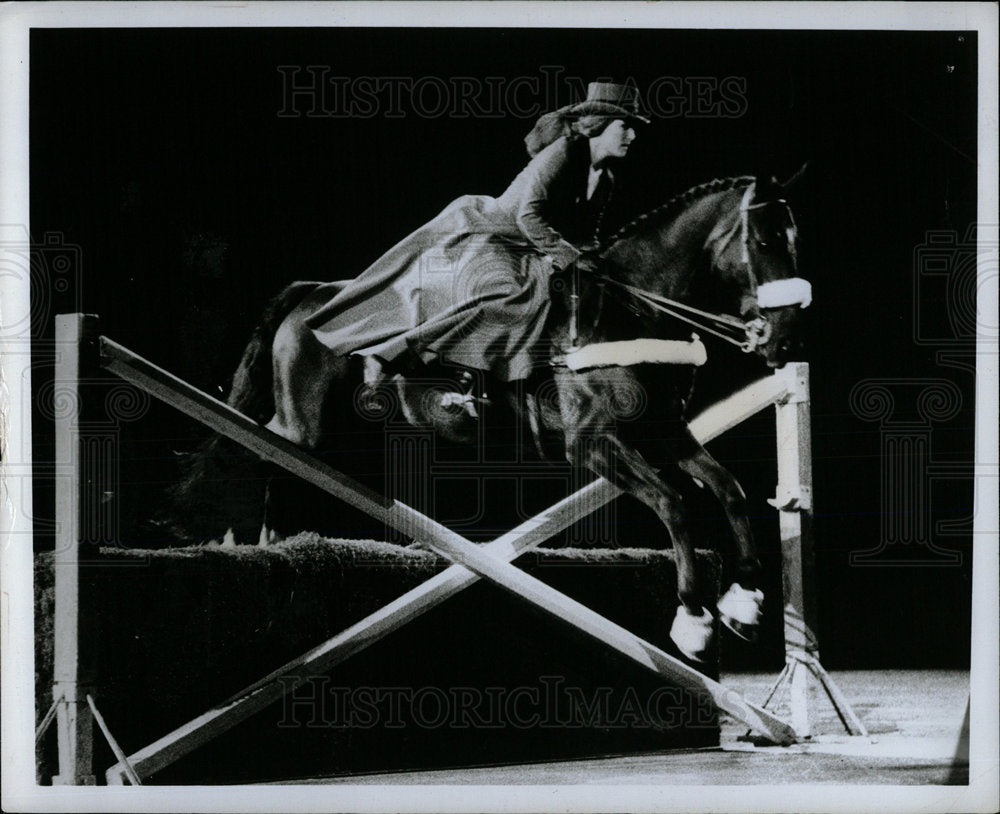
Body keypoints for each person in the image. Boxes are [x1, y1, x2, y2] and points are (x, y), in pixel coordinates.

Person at [305, 81, 647, 388]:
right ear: (597, 125)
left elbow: (586, 235)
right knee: (507, 292)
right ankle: (390, 353)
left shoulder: (606, 180)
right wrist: (568, 255)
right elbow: (528, 214)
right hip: (493, 231)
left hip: (529, 248)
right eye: (625, 126)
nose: (632, 136)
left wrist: (595, 259)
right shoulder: (563, 154)